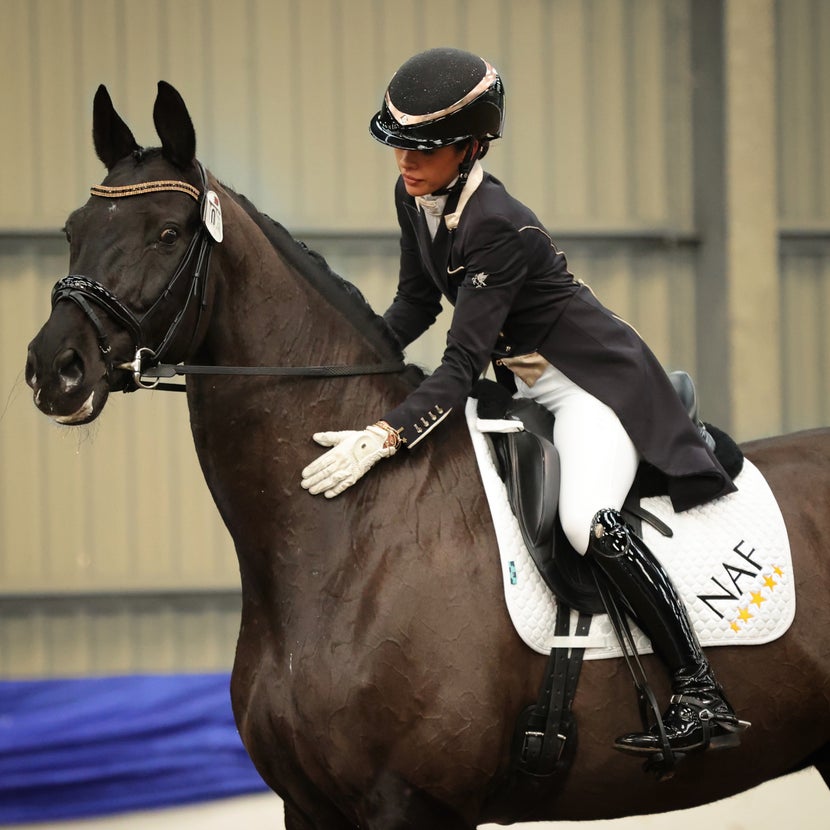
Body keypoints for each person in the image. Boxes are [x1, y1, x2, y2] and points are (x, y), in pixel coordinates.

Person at [300, 47, 749, 760]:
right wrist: (346, 371)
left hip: (590, 386)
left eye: (425, 149)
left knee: (585, 522)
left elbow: (459, 362)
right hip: (522, 385)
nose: (406, 164)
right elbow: (417, 301)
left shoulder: (498, 225)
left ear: (472, 146)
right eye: (400, 148)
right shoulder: (415, 195)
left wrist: (386, 433)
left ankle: (700, 690)